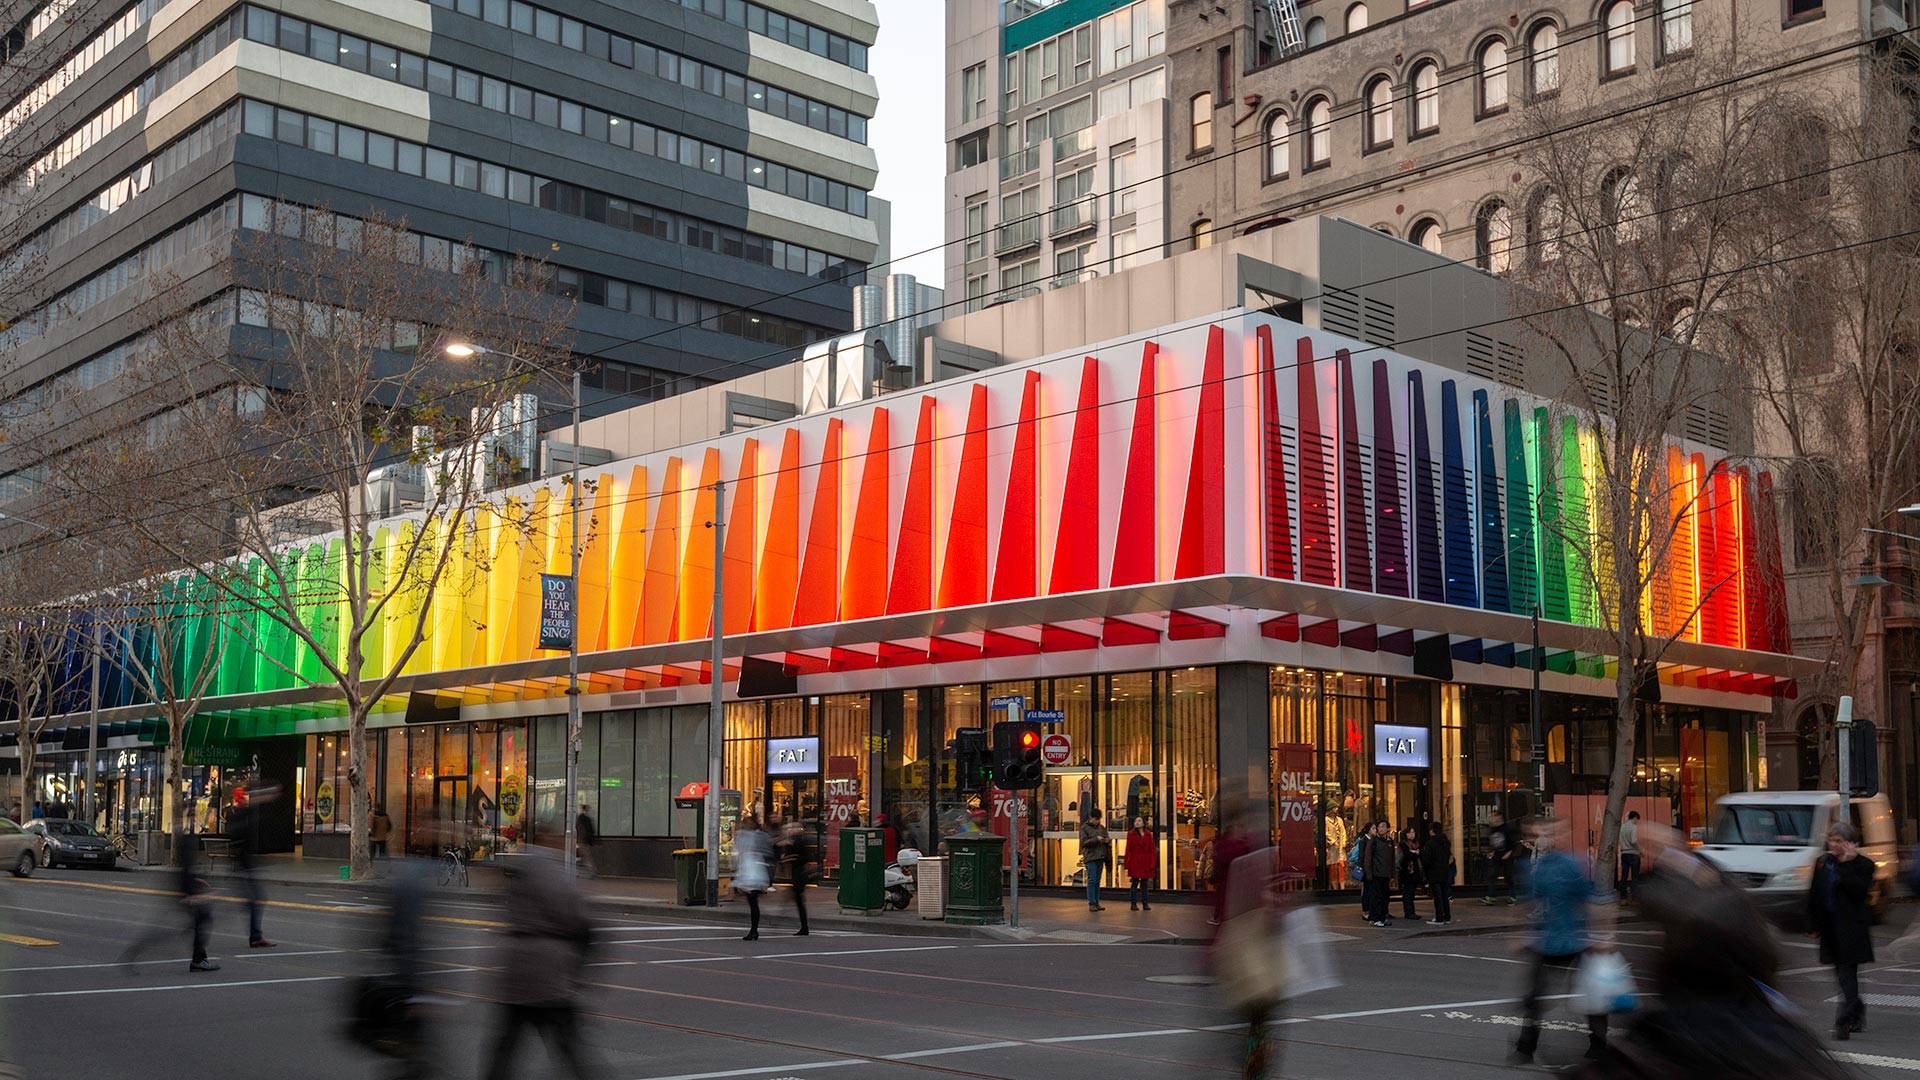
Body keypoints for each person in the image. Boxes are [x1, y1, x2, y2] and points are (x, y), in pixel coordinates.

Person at [483, 848, 597, 1080]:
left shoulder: (520, 881)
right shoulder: (555, 880)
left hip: (517, 978)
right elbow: (583, 925)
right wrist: (579, 972)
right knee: (571, 1050)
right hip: (550, 979)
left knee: (505, 1048)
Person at [1512, 815, 1611, 1065]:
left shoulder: (1573, 864)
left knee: (1589, 995)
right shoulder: (1541, 866)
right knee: (1537, 995)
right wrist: (1525, 931)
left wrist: (1602, 935)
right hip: (1551, 939)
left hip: (1574, 938)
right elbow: (1533, 901)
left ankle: (1598, 1046)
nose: (1547, 838)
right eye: (1544, 833)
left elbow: (1593, 901)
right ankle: (1526, 1048)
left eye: (1554, 833)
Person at [1808, 821, 1874, 1041]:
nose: (1834, 844)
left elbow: (1858, 892)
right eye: (1831, 840)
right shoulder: (1822, 863)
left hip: (1851, 930)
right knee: (1841, 976)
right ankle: (1856, 1009)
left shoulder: (1864, 865)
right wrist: (1812, 924)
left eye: (1839, 841)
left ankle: (1843, 1021)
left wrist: (1846, 864)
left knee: (1847, 975)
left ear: (1849, 843)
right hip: (1829, 930)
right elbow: (1815, 894)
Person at [122, 833, 218, 973]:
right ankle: (198, 960)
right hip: (186, 893)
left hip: (186, 892)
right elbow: (185, 874)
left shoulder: (186, 851)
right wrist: (191, 893)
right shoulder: (186, 850)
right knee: (186, 926)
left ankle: (199, 959)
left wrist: (196, 882)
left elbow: (187, 873)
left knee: (201, 920)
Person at [227, 784, 278, 949]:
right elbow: (238, 833)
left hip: (245, 864)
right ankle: (255, 936)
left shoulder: (241, 814)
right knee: (255, 899)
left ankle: (256, 935)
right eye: (243, 797)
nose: (245, 800)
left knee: (255, 900)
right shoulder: (236, 815)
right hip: (242, 864)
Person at [733, 816, 772, 941]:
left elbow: (766, 850)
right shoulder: (745, 835)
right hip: (750, 869)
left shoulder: (756, 836)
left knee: (753, 901)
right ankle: (754, 930)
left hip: (753, 870)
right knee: (752, 901)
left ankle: (754, 930)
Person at [778, 819, 816, 937]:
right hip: (798, 873)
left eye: (792, 828)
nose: (790, 830)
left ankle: (804, 927)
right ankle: (803, 926)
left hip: (799, 873)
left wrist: (786, 857)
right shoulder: (797, 841)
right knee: (798, 898)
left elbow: (796, 857)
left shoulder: (797, 841)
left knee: (798, 898)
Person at [1360, 820, 1396, 927]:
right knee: (1376, 897)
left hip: (1386, 874)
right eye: (1378, 827)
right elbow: (1367, 858)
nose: (1380, 829)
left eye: (1383, 827)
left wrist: (1392, 873)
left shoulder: (1390, 841)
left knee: (1385, 897)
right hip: (1376, 874)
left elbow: (1392, 859)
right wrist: (1369, 873)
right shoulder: (1373, 841)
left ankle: (1383, 917)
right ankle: (1376, 919)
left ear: (1387, 829)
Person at [1078, 807, 1111, 912]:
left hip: (1100, 856)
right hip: (1090, 857)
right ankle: (1092, 903)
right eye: (1096, 819)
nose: (1097, 821)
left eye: (1099, 819)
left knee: (1097, 880)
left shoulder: (1102, 827)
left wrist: (1106, 840)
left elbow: (1107, 837)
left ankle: (1096, 902)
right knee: (1092, 880)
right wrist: (1096, 839)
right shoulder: (1084, 828)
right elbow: (1083, 842)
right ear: (1091, 818)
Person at [1422, 820, 1454, 926]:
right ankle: (1447, 916)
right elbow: (1449, 856)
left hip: (1434, 872)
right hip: (1444, 870)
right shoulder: (1446, 842)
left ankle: (1439, 917)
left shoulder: (1430, 843)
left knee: (1437, 896)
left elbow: (1426, 860)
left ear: (1432, 831)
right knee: (1445, 894)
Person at [1483, 809, 1517, 904]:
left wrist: (1509, 853)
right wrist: (1490, 851)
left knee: (1509, 876)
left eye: (1493, 816)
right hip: (1496, 856)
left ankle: (1512, 896)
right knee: (1492, 876)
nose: (1491, 819)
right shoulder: (1492, 829)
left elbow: (1513, 842)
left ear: (1499, 817)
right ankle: (1491, 896)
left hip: (1507, 856)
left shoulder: (1507, 828)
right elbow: (1491, 842)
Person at [1124, 816, 1158, 911]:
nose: (1137, 822)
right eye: (1135, 821)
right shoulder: (1131, 834)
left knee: (1144, 884)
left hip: (1145, 861)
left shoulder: (1148, 834)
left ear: (1143, 823)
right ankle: (1133, 904)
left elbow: (1152, 850)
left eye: (1139, 821)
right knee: (1134, 883)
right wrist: (1127, 863)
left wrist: (1152, 863)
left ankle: (1145, 903)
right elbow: (1128, 849)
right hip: (1135, 861)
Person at [1397, 822, 1425, 921]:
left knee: (1411, 893)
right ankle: (1408, 912)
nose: (1412, 834)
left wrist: (1414, 853)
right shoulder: (1403, 844)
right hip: (1406, 872)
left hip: (1415, 872)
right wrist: (1414, 853)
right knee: (1408, 893)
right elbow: (1407, 856)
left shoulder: (1416, 843)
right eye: (1410, 833)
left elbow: (1420, 854)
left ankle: (1412, 912)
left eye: (1413, 832)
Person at [1619, 810, 1641, 900]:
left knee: (1624, 876)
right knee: (1634, 877)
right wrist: (1640, 850)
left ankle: (1623, 897)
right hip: (1633, 854)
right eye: (1637, 820)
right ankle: (1634, 897)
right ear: (1635, 817)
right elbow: (1633, 841)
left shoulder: (1622, 827)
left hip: (1624, 854)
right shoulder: (1633, 827)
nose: (1637, 822)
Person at [574, 803, 598, 878]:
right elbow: (591, 830)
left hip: (582, 840)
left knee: (585, 857)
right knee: (583, 856)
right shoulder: (587, 819)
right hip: (585, 841)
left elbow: (580, 829)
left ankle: (592, 872)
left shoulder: (581, 818)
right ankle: (584, 872)